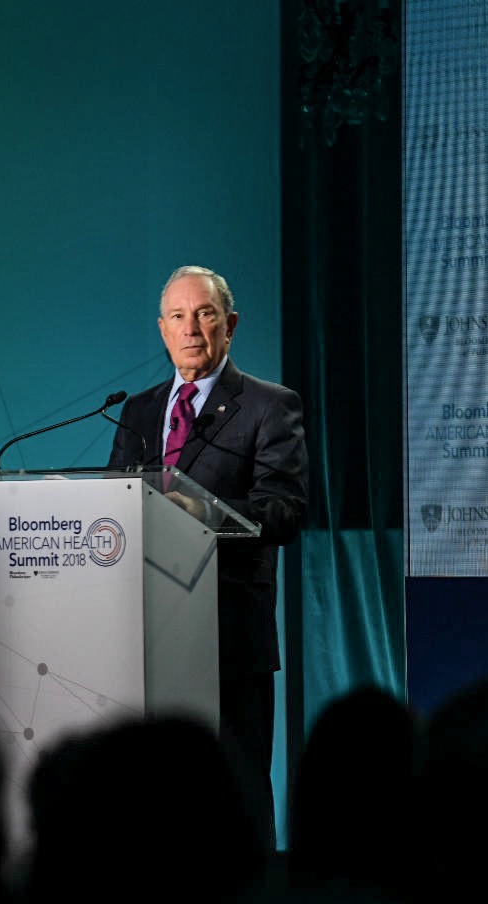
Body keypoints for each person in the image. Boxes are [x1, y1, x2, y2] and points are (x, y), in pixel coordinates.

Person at [107, 266, 308, 845]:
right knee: (155, 807)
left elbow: (285, 511)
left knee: (236, 802)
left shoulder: (270, 407)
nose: (191, 327)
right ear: (162, 330)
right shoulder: (139, 411)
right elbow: (115, 503)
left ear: (231, 324)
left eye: (204, 313)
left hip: (227, 636)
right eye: (178, 316)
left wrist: (206, 516)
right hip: (143, 635)